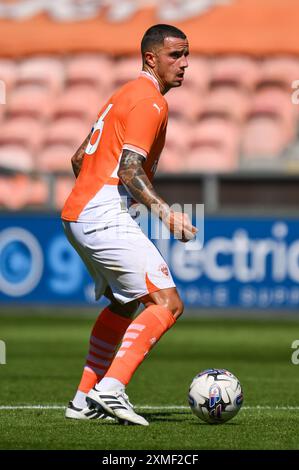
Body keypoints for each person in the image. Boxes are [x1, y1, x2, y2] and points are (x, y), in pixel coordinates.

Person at [61, 24, 197, 426]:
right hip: (100, 212)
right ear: (151, 58)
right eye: (176, 55)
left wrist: (93, 199)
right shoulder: (150, 102)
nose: (184, 63)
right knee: (168, 303)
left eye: (187, 55)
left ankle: (83, 400)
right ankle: (111, 389)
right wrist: (167, 213)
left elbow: (76, 159)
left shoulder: (122, 94)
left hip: (79, 211)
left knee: (124, 303)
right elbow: (129, 169)